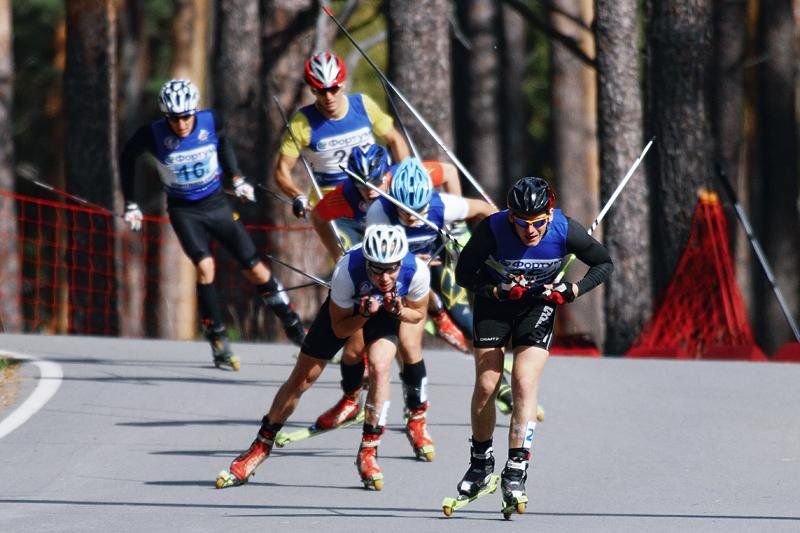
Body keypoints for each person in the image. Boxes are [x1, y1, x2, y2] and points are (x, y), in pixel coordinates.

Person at [216, 225, 430, 490]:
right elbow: (340, 329)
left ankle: (368, 452)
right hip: (350, 311)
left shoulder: (417, 271)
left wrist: (398, 311)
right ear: (367, 262)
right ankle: (260, 446)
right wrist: (362, 314)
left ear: (401, 262)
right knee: (302, 379)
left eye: (391, 269)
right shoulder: (347, 270)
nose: (384, 277)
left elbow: (417, 315)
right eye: (376, 269)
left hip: (387, 312)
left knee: (379, 367)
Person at [119, 79, 305, 370]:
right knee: (206, 266)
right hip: (184, 211)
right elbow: (127, 158)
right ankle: (218, 339)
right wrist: (131, 203)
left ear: (195, 110)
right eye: (174, 118)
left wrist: (237, 178)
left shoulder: (210, 120)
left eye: (185, 116)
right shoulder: (152, 134)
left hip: (217, 204)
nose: (180, 124)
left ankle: (293, 324)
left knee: (256, 269)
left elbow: (224, 144)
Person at [453, 176, 613, 513]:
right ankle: (480, 464)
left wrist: (574, 290)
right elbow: (464, 274)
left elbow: (603, 263)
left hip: (538, 305)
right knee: (486, 384)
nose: (530, 231)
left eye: (537, 223)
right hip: (495, 303)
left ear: (549, 215)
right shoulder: (493, 228)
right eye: (522, 223)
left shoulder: (565, 230)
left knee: (524, 381)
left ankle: (516, 468)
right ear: (510, 216)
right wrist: (494, 290)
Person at [273, 51, 410, 219]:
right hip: (335, 200)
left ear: (343, 84)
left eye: (333, 88)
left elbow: (395, 139)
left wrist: (406, 173)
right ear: (312, 90)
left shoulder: (363, 105)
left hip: (374, 189)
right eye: (321, 91)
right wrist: (297, 195)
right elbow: (282, 170)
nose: (328, 97)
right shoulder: (302, 123)